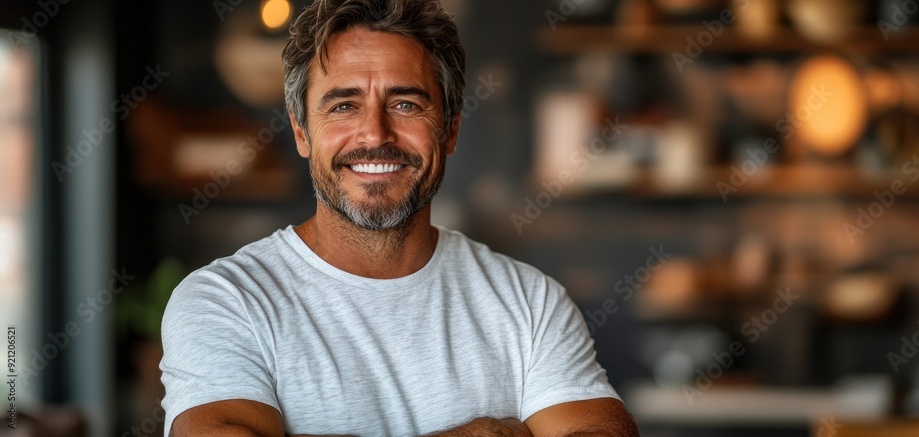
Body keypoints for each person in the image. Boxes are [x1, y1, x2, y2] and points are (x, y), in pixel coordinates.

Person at [159, 0, 639, 435]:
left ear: (450, 131)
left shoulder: (529, 302)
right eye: (344, 105)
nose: (375, 133)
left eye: (406, 103)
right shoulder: (225, 301)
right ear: (302, 133)